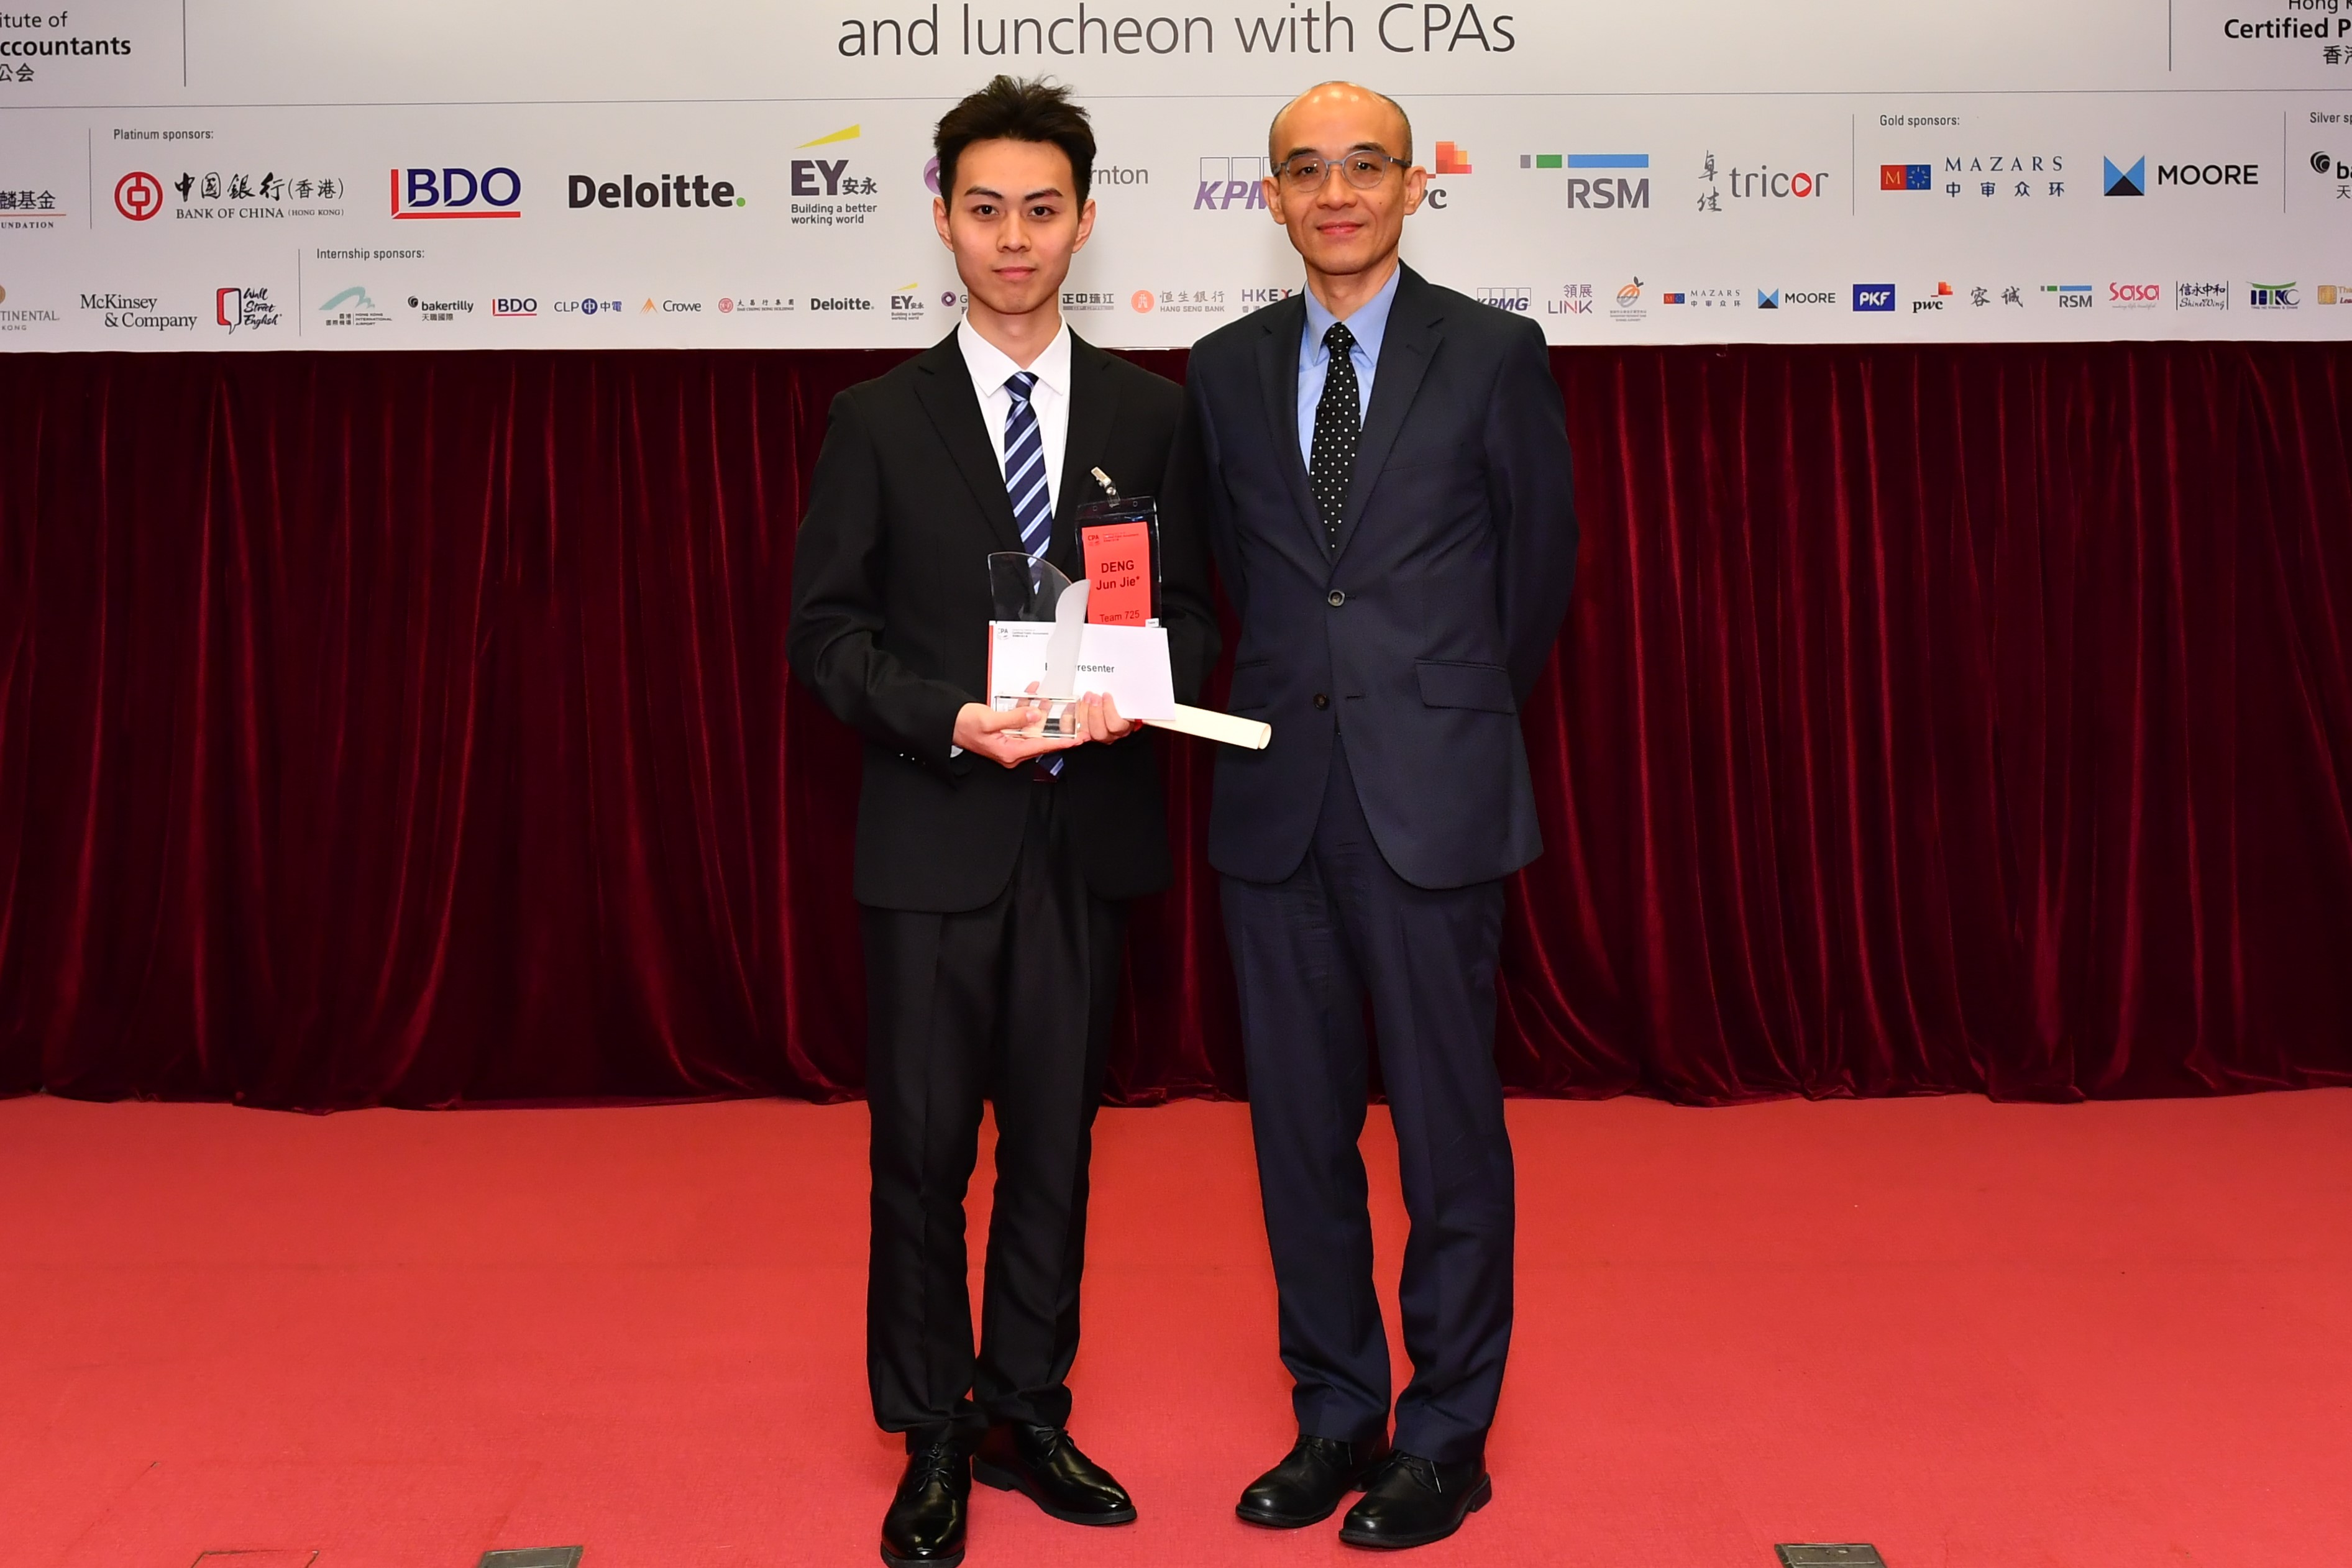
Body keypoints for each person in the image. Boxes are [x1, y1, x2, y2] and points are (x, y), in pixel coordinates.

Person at [787, 75, 1219, 1568]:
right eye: (987, 209)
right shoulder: (874, 420)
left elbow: (1194, 612)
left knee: (1055, 1147)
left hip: (1085, 838)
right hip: (934, 832)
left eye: (1043, 209)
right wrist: (948, 714)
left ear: (1085, 222)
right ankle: (930, 1431)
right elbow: (825, 635)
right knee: (919, 1156)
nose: (1014, 237)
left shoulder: (1155, 415)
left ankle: (1028, 1406)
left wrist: (1144, 689)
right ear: (945, 219)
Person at [1169, 81, 1578, 1550]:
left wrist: (1438, 715)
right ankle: (1337, 1411)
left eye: (1363, 166)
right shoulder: (1220, 369)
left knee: (1449, 1135)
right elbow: (1229, 579)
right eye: (1304, 169)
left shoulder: (1494, 353)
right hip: (1275, 802)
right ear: (1270, 196)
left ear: (1414, 185)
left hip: (1433, 799)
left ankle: (1447, 1434)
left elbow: (1535, 576)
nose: (1334, 192)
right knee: (1297, 1134)